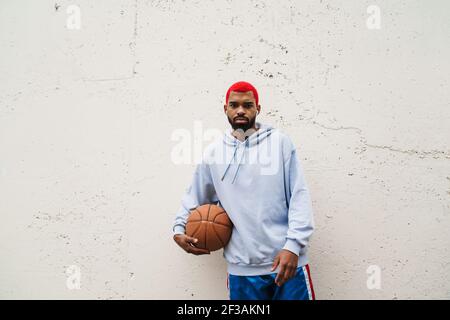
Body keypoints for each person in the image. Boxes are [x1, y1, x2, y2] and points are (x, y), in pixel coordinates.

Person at [172, 81, 315, 300]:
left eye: (247, 105)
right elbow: (194, 196)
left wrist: (293, 245)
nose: (240, 110)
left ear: (258, 108)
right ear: (225, 109)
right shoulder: (214, 153)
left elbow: (299, 196)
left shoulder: (280, 144)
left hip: (287, 262)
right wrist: (179, 230)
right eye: (234, 105)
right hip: (242, 268)